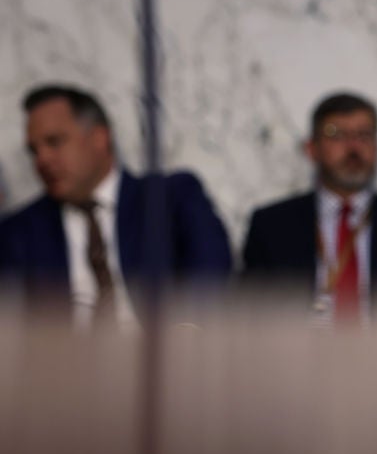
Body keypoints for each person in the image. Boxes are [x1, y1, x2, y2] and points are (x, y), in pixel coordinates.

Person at [0, 84, 232, 330]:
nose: (42, 160)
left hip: (165, 356)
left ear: (99, 138)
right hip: (63, 364)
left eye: (54, 142)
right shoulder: (18, 231)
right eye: (34, 151)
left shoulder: (170, 198)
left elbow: (212, 275)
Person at [242, 92, 377, 322]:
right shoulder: (271, 226)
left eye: (364, 135)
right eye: (336, 135)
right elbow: (253, 316)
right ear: (311, 149)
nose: (353, 147)